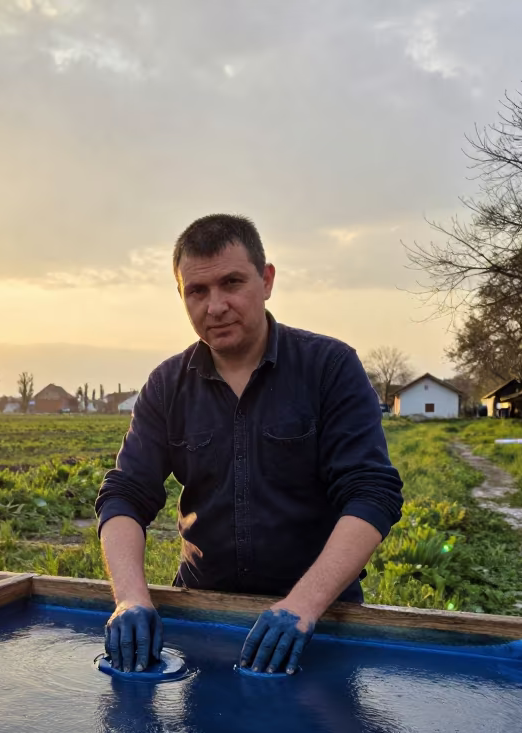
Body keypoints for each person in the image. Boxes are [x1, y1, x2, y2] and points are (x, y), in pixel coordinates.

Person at [95, 214, 403, 676]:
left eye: (232, 283)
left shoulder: (329, 367)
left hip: (317, 619)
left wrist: (303, 606)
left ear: (267, 280)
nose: (215, 306)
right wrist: (130, 598)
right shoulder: (166, 385)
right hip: (205, 615)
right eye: (197, 291)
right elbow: (125, 494)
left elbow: (372, 493)